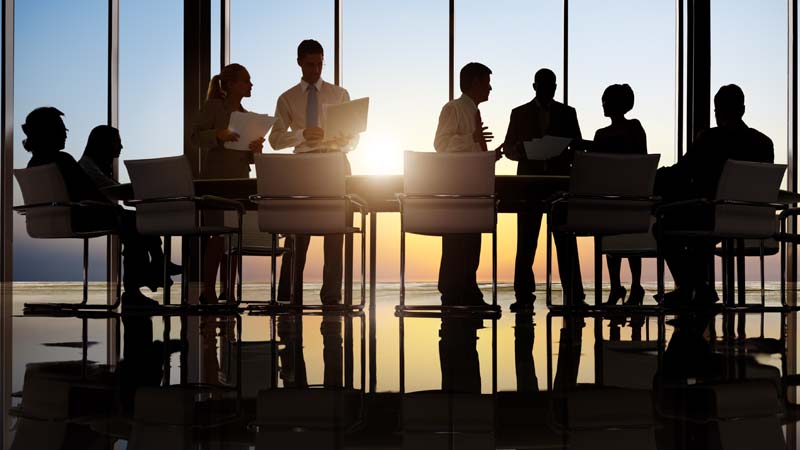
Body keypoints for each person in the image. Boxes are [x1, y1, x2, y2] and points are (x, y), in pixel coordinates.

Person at [22, 107, 156, 308]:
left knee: (130, 222)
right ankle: (134, 288)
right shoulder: (62, 159)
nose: (66, 133)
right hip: (79, 218)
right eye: (61, 129)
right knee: (137, 222)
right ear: (49, 132)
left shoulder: (33, 164)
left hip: (50, 220)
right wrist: (112, 207)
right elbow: (88, 192)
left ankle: (146, 273)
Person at [655, 84, 774, 306]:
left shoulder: (710, 139)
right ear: (743, 110)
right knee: (696, 229)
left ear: (717, 111)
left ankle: (693, 286)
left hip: (712, 215)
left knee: (664, 226)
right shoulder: (764, 143)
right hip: (753, 219)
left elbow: (682, 172)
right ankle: (697, 288)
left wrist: (655, 175)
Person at [269, 39, 357, 305]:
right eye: (310, 64)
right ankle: (287, 296)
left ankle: (331, 297)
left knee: (335, 232)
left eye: (320, 63)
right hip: (303, 167)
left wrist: (337, 139)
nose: (316, 69)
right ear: (299, 62)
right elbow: (275, 139)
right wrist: (301, 135)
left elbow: (353, 139)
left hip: (334, 164)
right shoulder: (287, 99)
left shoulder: (339, 94)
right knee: (297, 233)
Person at [503, 68, 584, 311]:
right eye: (546, 85)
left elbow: (577, 144)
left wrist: (563, 150)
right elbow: (508, 147)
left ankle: (573, 294)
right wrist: (522, 150)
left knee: (565, 239)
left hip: (559, 182)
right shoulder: (519, 113)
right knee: (526, 240)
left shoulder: (568, 113)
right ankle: (524, 296)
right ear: (535, 86)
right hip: (529, 183)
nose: (550, 89)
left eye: (553, 85)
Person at [191, 63, 264, 304]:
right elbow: (195, 137)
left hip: (240, 181)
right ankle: (208, 290)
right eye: (246, 80)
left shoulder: (247, 117)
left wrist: (256, 150)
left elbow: (250, 158)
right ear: (231, 84)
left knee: (234, 237)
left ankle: (229, 291)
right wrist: (217, 134)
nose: (251, 84)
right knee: (218, 236)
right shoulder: (213, 107)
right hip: (216, 180)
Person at [79, 125, 181, 291]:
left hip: (97, 214)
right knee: (137, 223)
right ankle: (153, 270)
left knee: (138, 222)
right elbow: (111, 189)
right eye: (117, 142)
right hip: (94, 216)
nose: (121, 146)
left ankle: (155, 268)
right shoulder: (89, 167)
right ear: (104, 143)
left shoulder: (93, 166)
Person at [432, 62, 501, 306]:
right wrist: (471, 139)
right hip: (458, 186)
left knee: (472, 240)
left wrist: (489, 156)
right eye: (486, 82)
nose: (490, 88)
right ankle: (455, 290)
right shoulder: (453, 109)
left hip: (472, 183)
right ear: (474, 83)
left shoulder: (471, 111)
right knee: (458, 241)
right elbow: (441, 145)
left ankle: (466, 288)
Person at [591, 84, 648, 306]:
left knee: (610, 235)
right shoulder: (635, 129)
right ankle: (634, 285)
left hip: (611, 197)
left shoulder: (602, 135)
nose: (603, 104)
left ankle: (617, 286)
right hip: (632, 196)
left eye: (606, 100)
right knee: (630, 237)